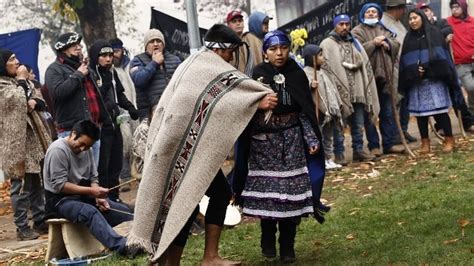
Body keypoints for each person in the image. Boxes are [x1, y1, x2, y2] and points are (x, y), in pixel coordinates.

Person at [127, 24, 277, 265]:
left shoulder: (196, 63)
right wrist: (255, 100)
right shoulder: (202, 66)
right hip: (174, 150)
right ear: (219, 49)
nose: (231, 58)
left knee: (216, 194)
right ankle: (175, 261)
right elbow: (224, 100)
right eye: (229, 53)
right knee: (183, 203)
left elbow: (218, 101)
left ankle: (209, 257)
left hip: (186, 151)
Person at [232, 30, 327, 263]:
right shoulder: (256, 76)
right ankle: (267, 236)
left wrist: (311, 139)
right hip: (263, 146)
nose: (279, 53)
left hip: (292, 142)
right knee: (269, 196)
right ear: (265, 53)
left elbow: (304, 111)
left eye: (283, 48)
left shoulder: (296, 74)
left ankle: (287, 245)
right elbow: (244, 110)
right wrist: (260, 106)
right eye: (273, 49)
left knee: (290, 196)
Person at [43, 120, 137, 255]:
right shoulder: (58, 150)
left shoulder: (88, 149)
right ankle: (122, 247)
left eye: (87, 146)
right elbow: (60, 185)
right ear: (73, 134)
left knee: (121, 210)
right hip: (60, 201)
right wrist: (92, 191)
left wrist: (97, 196)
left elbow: (93, 178)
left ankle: (141, 239)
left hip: (83, 197)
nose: (83, 149)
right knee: (90, 212)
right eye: (81, 144)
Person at [0, 49, 50, 240]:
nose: (18, 62)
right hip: (16, 145)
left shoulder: (21, 82)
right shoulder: (2, 85)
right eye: (12, 59)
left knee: (37, 183)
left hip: (33, 142)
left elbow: (39, 99)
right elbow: (16, 104)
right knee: (20, 187)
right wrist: (22, 84)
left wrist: (34, 101)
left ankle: (39, 220)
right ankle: (22, 227)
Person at [45, 32, 112, 165]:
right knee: (75, 177)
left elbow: (95, 96)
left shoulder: (84, 67)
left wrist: (105, 119)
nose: (79, 47)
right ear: (63, 49)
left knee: (93, 175)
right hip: (72, 132)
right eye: (73, 45)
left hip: (92, 129)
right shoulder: (54, 69)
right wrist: (78, 75)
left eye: (79, 45)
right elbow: (58, 92)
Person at [320, 14, 380, 162]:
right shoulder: (326, 44)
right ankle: (339, 154)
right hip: (338, 92)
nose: (345, 27)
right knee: (338, 125)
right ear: (335, 25)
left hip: (358, 91)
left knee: (358, 123)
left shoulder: (355, 43)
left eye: (347, 24)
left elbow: (364, 65)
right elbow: (325, 68)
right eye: (341, 24)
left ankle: (358, 150)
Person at [399, 9, 459, 153]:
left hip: (435, 81)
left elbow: (441, 57)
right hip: (417, 83)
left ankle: (449, 139)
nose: (413, 21)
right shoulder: (408, 38)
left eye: (415, 18)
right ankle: (425, 143)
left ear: (422, 18)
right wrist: (415, 72)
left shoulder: (434, 33)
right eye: (410, 19)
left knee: (440, 112)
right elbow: (406, 61)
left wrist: (426, 68)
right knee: (421, 115)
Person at [88, 40, 140, 202]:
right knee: (103, 165)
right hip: (100, 126)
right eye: (103, 55)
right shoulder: (90, 74)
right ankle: (104, 198)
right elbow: (94, 98)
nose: (108, 59)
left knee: (116, 162)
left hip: (115, 122)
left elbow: (120, 95)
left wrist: (130, 107)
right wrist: (103, 86)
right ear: (96, 57)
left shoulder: (112, 73)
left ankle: (114, 197)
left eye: (110, 55)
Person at [351, 3, 405, 156]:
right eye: (368, 12)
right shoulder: (357, 31)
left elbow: (396, 43)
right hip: (368, 79)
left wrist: (387, 43)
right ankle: (374, 146)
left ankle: (389, 144)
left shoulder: (385, 29)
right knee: (371, 113)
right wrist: (373, 43)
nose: (371, 14)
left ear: (379, 14)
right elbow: (356, 51)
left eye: (374, 12)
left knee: (388, 112)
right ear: (363, 14)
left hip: (386, 77)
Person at [302, 44, 344, 169]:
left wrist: (337, 104)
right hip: (317, 111)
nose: (323, 57)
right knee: (318, 136)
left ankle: (328, 158)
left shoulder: (323, 72)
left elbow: (331, 90)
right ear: (312, 59)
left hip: (328, 112)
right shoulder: (305, 73)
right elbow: (302, 89)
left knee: (328, 136)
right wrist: (310, 85)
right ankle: (319, 160)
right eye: (320, 55)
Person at [382, 0, 418, 143]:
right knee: (393, 105)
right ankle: (395, 134)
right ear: (396, 9)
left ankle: (402, 130)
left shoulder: (397, 22)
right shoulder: (383, 23)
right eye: (402, 9)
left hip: (404, 68)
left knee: (405, 103)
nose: (404, 12)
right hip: (392, 69)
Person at [129, 29, 181, 119]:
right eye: (152, 42)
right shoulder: (137, 60)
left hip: (174, 110)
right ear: (146, 45)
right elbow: (139, 80)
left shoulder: (175, 60)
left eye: (159, 41)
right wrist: (154, 63)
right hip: (149, 115)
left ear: (163, 44)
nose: (156, 44)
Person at [110, 37, 138, 192]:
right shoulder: (110, 70)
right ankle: (125, 178)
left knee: (137, 142)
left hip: (135, 109)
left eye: (117, 51)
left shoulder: (131, 65)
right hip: (120, 112)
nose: (115, 55)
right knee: (124, 144)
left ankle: (139, 175)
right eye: (113, 51)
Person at [447, 0, 474, 132]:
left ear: (463, 7)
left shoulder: (472, 21)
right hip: (460, 63)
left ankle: (472, 114)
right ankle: (471, 113)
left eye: (457, 7)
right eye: (452, 7)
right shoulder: (448, 22)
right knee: (470, 87)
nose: (455, 10)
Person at [226, 9, 264, 75]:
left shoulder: (253, 39)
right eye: (234, 21)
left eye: (240, 21)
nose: (238, 23)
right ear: (228, 25)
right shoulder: (227, 45)